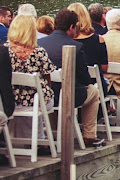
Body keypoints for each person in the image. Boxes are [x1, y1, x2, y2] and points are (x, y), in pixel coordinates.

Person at [39, 9, 104, 147]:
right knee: (93, 91)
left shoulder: (41, 43)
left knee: (54, 90)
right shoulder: (76, 46)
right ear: (71, 27)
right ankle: (89, 135)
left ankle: (54, 130)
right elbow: (85, 78)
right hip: (69, 95)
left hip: (48, 95)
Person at [6, 14, 56, 141]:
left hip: (10, 99)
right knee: (41, 96)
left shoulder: (4, 51)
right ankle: (38, 139)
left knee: (36, 97)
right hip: (35, 100)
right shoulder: (38, 51)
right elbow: (48, 76)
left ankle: (21, 138)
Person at [68, 2, 109, 82]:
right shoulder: (99, 39)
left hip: (72, 84)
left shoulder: (66, 41)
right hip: (96, 84)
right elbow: (105, 68)